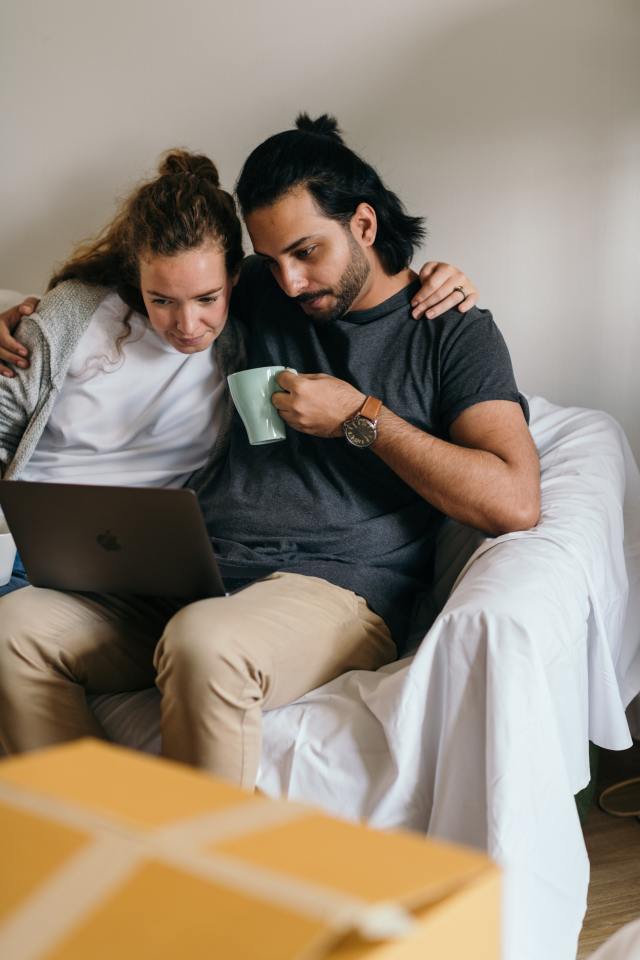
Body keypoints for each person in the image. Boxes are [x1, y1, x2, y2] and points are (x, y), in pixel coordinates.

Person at [0, 115, 534, 791]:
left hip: (334, 590)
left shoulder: (450, 332)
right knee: (13, 628)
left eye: (307, 252)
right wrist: (28, 321)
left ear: (364, 225)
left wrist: (359, 418)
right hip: (192, 577)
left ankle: (197, 889)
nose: (287, 280)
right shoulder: (262, 292)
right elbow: (152, 276)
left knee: (205, 644)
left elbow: (513, 499)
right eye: (270, 258)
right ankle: (98, 845)